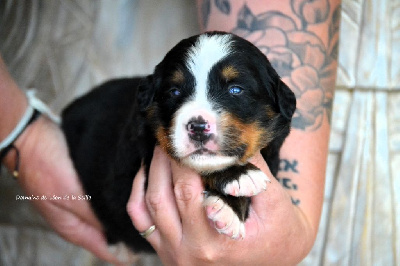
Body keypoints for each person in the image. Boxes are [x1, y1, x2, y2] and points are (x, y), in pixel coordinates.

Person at [0, 0, 341, 264]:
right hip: (64, 120)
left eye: (234, 91)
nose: (199, 117)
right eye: (176, 94)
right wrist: (20, 135)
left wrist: (297, 229)